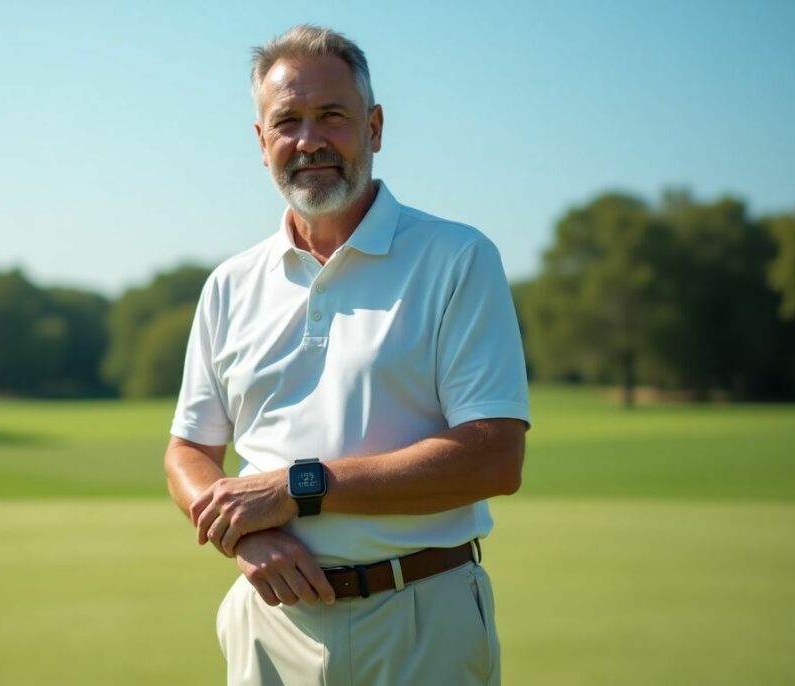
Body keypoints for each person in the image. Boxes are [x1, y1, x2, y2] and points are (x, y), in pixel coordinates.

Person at [163, 24, 530, 686]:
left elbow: (495, 456)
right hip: (269, 625)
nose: (309, 141)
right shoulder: (229, 285)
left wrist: (295, 489)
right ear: (261, 142)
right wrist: (244, 532)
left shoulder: (456, 258)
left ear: (375, 128)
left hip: (422, 615)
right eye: (288, 122)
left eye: (332, 116)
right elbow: (188, 452)